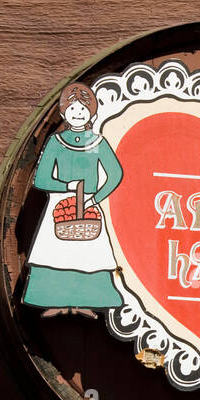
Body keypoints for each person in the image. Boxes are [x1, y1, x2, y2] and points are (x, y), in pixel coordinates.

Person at [23, 81, 124, 317]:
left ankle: (87, 302)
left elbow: (115, 174)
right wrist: (65, 186)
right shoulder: (56, 143)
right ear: (63, 113)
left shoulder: (97, 144)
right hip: (60, 203)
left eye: (82, 110)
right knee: (53, 251)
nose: (77, 114)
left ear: (91, 113)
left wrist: (96, 198)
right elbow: (41, 180)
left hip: (87, 205)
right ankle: (52, 300)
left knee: (90, 254)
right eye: (72, 109)